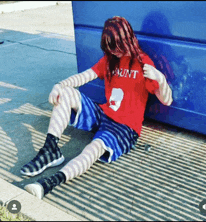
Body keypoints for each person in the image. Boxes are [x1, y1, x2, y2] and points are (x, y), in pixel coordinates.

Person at [22, 16, 173, 199]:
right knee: (67, 93)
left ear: (128, 39)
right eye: (110, 47)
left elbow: (167, 100)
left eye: (118, 46)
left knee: (94, 148)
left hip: (125, 127)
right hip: (103, 114)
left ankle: (50, 183)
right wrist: (59, 85)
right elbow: (84, 76)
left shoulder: (143, 63)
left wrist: (161, 79)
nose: (115, 51)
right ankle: (50, 151)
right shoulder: (110, 59)